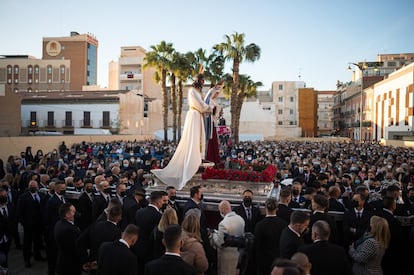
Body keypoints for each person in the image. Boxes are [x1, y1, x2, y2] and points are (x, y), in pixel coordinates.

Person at [151, 73, 212, 190]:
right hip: (194, 114)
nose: (203, 83)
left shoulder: (198, 92)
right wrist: (209, 107)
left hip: (198, 115)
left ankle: (199, 156)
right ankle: (192, 158)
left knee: (200, 138)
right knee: (194, 138)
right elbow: (200, 105)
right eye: (202, 81)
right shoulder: (192, 91)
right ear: (198, 80)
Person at [254, 198, 288, 275]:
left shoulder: (260, 225)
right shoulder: (283, 224)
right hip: (278, 261)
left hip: (263, 261)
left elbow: (256, 244)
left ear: (265, 208)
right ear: (277, 209)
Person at [16, 180, 46, 267]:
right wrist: (23, 222)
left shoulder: (41, 195)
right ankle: (27, 260)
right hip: (28, 224)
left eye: (34, 185)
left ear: (38, 186)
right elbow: (19, 211)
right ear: (29, 187)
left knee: (37, 241)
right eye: (31, 185)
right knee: (27, 243)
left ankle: (37, 256)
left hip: (39, 224)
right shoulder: (23, 197)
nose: (33, 187)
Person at [212, 200, 245, 275]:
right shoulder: (241, 219)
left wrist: (213, 235)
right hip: (238, 256)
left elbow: (220, 243)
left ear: (222, 211)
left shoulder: (223, 224)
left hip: (226, 260)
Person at [54, 202, 82, 275]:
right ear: (67, 215)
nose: (76, 213)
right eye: (74, 212)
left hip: (63, 261)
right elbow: (75, 248)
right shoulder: (69, 230)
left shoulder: (59, 223)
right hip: (70, 266)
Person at [204, 81, 224, 165]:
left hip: (213, 123)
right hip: (209, 124)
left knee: (214, 142)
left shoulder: (213, 101)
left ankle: (214, 160)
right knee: (211, 142)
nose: (217, 95)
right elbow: (208, 111)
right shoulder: (208, 101)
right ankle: (209, 159)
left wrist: (218, 114)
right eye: (216, 93)